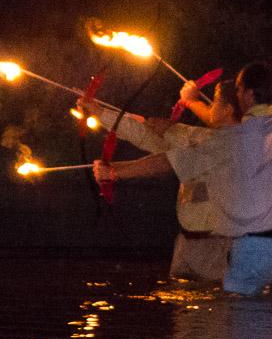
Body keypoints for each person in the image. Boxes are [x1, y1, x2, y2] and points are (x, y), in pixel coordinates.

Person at [96, 62, 272, 296]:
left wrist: (113, 172)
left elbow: (168, 161)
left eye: (238, 91)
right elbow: (209, 127)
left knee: (240, 314)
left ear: (248, 94)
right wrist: (190, 102)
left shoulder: (230, 140)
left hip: (252, 247)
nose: (237, 97)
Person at [89, 81, 240, 283]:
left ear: (228, 110)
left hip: (216, 246)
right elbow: (148, 138)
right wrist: (100, 113)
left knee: (211, 299)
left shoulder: (226, 143)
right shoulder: (208, 140)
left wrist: (114, 172)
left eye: (215, 102)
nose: (210, 107)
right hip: (189, 241)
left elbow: (165, 162)